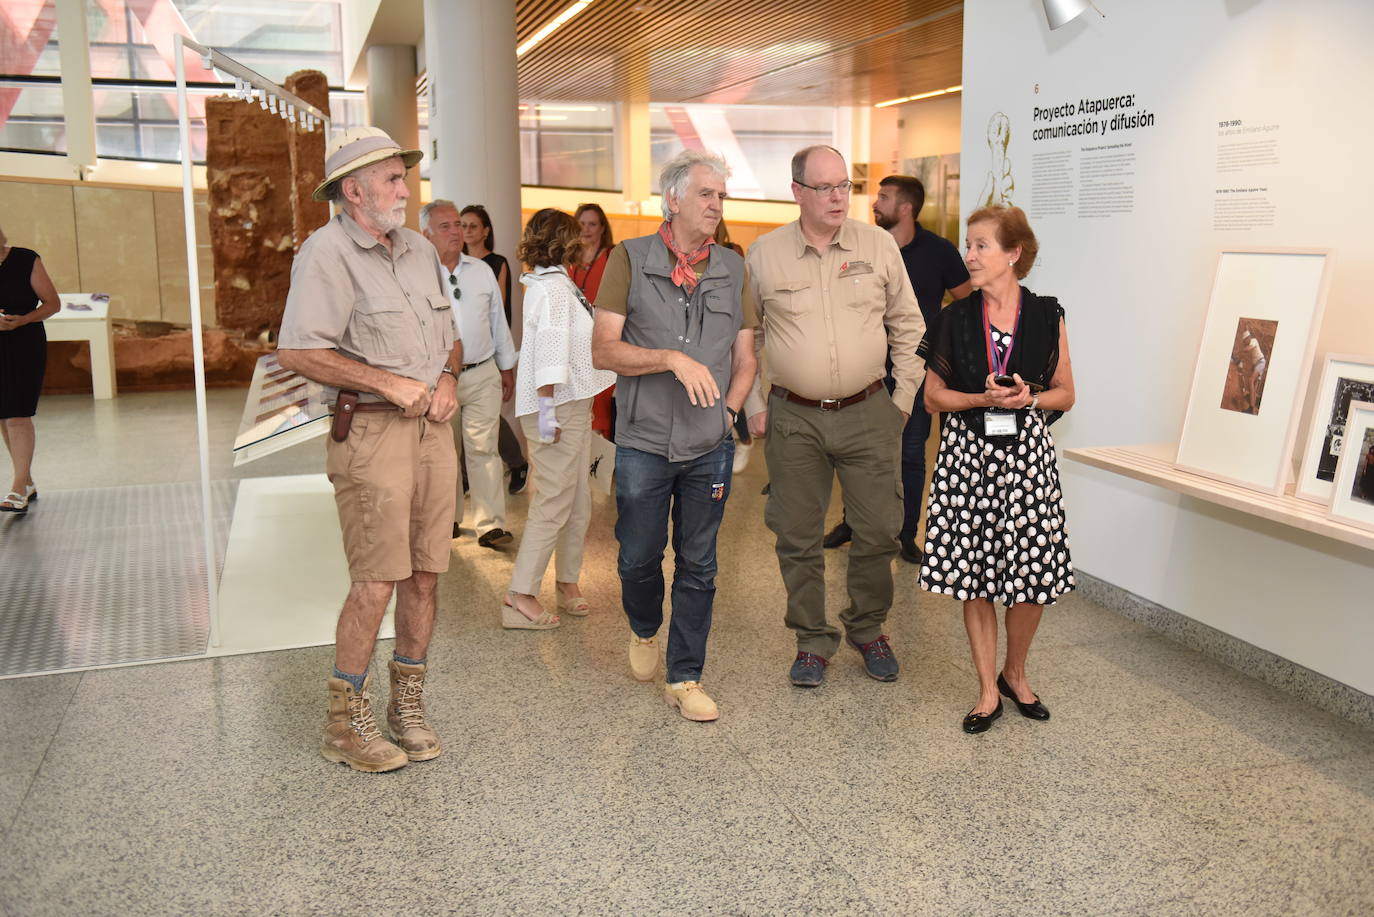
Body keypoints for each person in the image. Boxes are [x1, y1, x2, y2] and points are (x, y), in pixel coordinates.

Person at [277, 127, 461, 773]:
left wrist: (444, 379)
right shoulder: (325, 254)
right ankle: (344, 721)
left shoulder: (418, 249)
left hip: (433, 431)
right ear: (353, 192)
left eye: (403, 177)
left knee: (427, 573)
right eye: (391, 179)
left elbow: (452, 339)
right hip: (373, 431)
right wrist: (388, 381)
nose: (405, 189)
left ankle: (405, 705)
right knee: (376, 578)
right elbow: (297, 349)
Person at [742, 145, 923, 688]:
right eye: (823, 187)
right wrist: (753, 404)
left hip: (870, 411)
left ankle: (868, 630)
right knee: (796, 535)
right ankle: (812, 640)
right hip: (793, 417)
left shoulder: (878, 244)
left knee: (880, 531)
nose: (837, 196)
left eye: (844, 185)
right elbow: (746, 337)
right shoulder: (764, 255)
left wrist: (901, 404)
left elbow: (908, 327)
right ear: (796, 191)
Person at [592, 149, 757, 723]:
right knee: (638, 558)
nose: (717, 204)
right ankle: (643, 628)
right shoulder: (630, 259)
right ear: (675, 199)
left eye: (720, 195)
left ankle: (685, 675)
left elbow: (745, 355)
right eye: (707, 194)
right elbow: (604, 349)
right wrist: (668, 358)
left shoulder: (734, 268)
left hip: (708, 446)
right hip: (641, 441)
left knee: (700, 564)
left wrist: (729, 412)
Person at [917, 204, 1076, 735]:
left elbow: (1067, 394)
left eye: (982, 245)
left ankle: (1015, 672)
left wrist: (1029, 398)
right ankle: (987, 689)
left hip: (1028, 457)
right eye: (969, 244)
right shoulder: (954, 318)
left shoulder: (1047, 314)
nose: (970, 255)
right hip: (968, 458)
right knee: (977, 578)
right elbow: (933, 399)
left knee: (1032, 578)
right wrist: (977, 398)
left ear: (1014, 254)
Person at [823, 175, 972, 564]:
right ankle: (852, 524)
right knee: (857, 452)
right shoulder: (864, 246)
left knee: (909, 453)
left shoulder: (939, 252)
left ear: (906, 208)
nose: (875, 203)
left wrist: (943, 346)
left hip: (916, 369)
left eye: (884, 198)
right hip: (864, 369)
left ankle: (906, 534)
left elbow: (967, 301)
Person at [503, 209, 616, 629]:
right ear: (564, 242)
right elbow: (549, 357)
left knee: (578, 502)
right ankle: (520, 594)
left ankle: (567, 581)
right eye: (577, 235)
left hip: (572, 404)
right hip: (556, 408)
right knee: (553, 502)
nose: (585, 240)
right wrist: (549, 416)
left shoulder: (555, 283)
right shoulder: (551, 290)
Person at [422, 199, 518, 548]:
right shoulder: (419, 275)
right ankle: (447, 518)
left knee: (484, 449)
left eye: (458, 225)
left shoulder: (480, 271)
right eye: (445, 226)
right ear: (426, 234)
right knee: (445, 453)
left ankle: (490, 525)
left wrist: (506, 367)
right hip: (437, 380)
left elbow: (497, 322)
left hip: (482, 373)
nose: (456, 232)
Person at [459, 203, 529, 494]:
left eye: (473, 225)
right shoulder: (453, 264)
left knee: (487, 418)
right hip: (456, 358)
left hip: (485, 355)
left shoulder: (496, 263)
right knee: (471, 419)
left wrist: (503, 363)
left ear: (486, 230)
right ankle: (466, 478)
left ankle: (515, 462)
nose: (466, 231)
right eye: (462, 225)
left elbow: (498, 313)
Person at [0, 226, 60, 515]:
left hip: (24, 344)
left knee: (17, 415)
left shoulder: (25, 259)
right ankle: (26, 480)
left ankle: (18, 487)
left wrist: (22, 320)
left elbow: (52, 304)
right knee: (4, 415)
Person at [573, 203, 618, 442]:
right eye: (582, 224)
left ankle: (599, 464)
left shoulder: (612, 256)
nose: (586, 229)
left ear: (602, 228)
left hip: (602, 341)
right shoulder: (569, 259)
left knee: (600, 403)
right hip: (575, 345)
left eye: (592, 224)